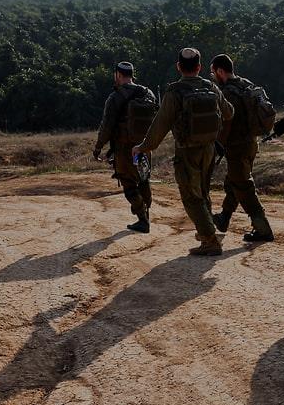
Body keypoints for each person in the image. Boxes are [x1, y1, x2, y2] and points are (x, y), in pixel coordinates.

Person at [134, 48, 234, 256]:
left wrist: (143, 147)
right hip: (209, 149)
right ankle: (207, 231)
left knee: (191, 196)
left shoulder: (175, 92)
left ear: (179, 66)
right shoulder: (211, 87)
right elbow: (229, 112)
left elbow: (160, 124)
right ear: (199, 67)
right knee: (203, 192)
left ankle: (210, 240)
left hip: (187, 151)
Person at [209, 53, 275, 243]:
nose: (213, 76)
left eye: (213, 72)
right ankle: (224, 218)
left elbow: (226, 123)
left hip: (237, 147)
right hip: (251, 144)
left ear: (220, 71)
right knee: (234, 183)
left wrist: (217, 146)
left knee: (243, 187)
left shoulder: (227, 93)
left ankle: (263, 229)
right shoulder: (245, 84)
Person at [92, 61, 156, 233]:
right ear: (132, 74)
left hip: (125, 149)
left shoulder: (115, 97)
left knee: (128, 182)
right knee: (143, 178)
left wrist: (98, 148)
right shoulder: (148, 93)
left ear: (118, 75)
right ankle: (146, 213)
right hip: (143, 147)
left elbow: (106, 127)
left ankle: (142, 219)